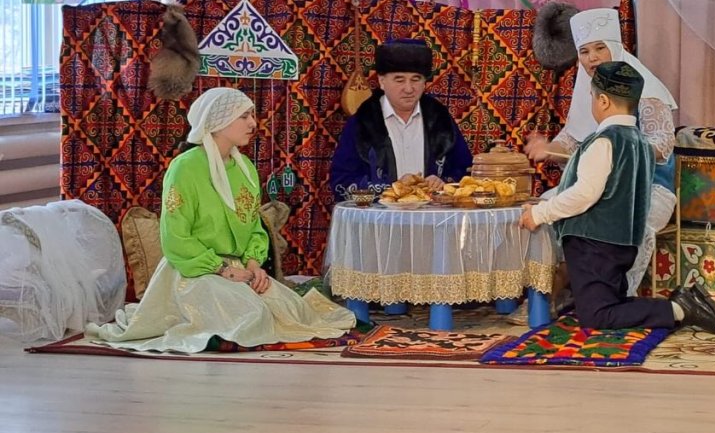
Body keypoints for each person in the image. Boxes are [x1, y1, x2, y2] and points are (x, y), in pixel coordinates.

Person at [87, 88, 356, 353]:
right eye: (244, 116)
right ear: (217, 121)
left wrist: (254, 265)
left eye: (252, 115)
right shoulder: (185, 167)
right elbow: (176, 236)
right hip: (193, 272)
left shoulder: (245, 168)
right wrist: (221, 269)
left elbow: (254, 227)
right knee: (252, 314)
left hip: (239, 268)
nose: (253, 124)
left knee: (292, 309)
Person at [519, 61, 715, 333]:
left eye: (592, 97)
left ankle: (680, 308)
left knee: (597, 315)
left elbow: (585, 194)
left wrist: (540, 213)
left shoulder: (604, 142)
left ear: (603, 101)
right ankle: (683, 303)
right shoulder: (640, 142)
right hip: (621, 243)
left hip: (594, 243)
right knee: (609, 301)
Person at [528, 6, 678, 296]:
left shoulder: (646, 90)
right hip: (595, 184)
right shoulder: (587, 90)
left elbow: (662, 145)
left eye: (599, 48)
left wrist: (619, 153)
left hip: (646, 188)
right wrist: (548, 149)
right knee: (545, 208)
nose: (592, 58)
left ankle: (614, 297)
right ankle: (551, 291)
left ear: (616, 48)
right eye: (584, 52)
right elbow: (570, 142)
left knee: (622, 219)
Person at [329, 38, 473, 201]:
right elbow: (341, 181)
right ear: (382, 81)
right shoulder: (363, 121)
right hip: (381, 215)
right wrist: (392, 188)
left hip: (432, 214)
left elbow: (466, 171)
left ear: (424, 82)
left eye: (416, 79)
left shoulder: (440, 120)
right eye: (399, 80)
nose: (409, 89)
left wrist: (443, 183)